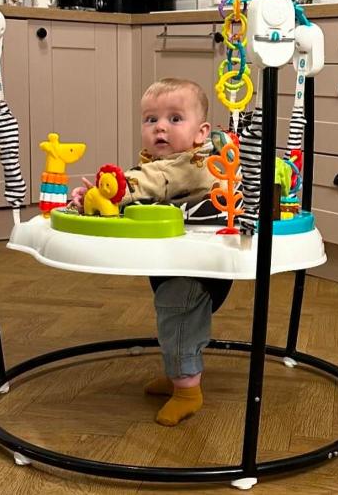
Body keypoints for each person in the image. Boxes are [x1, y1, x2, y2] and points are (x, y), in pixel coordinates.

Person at [71, 78, 232, 426]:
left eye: (175, 119)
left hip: (196, 266)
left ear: (201, 132)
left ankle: (188, 389)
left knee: (179, 317)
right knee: (171, 318)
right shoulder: (158, 163)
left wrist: (110, 191)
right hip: (174, 258)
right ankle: (179, 374)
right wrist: (95, 200)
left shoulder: (193, 164)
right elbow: (143, 178)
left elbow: (148, 182)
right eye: (150, 119)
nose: (160, 127)